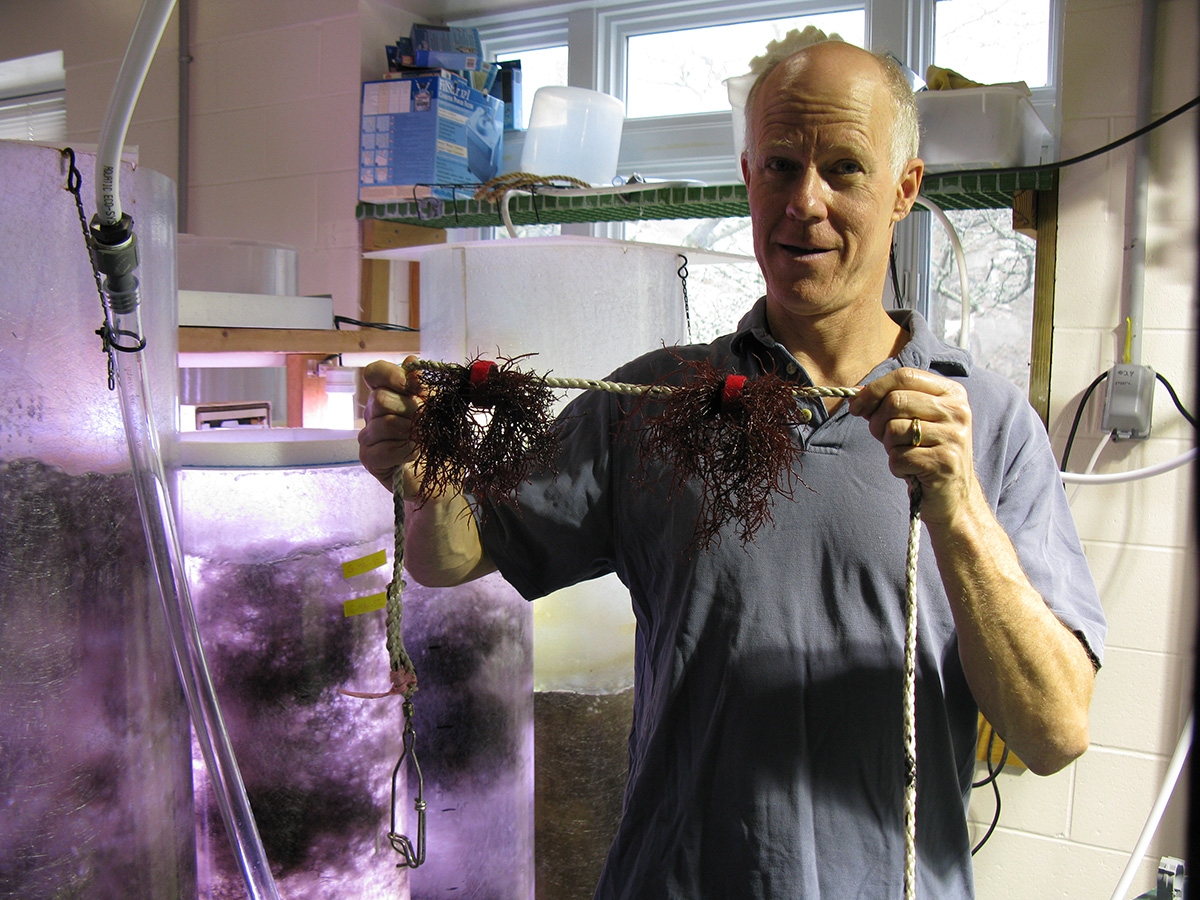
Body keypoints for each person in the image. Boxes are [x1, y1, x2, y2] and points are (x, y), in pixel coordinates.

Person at [358, 40, 1105, 900]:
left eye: (845, 169)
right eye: (781, 166)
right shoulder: (658, 401)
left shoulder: (990, 427)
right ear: (748, 177)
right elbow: (448, 555)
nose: (806, 203)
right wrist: (428, 474)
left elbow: (1054, 732)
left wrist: (959, 509)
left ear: (905, 188)